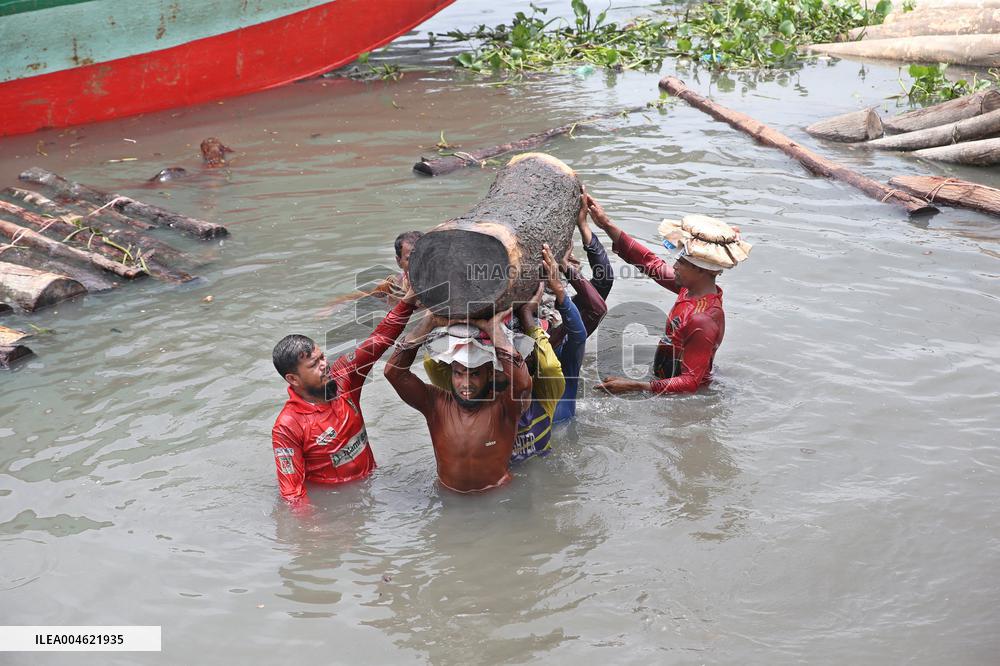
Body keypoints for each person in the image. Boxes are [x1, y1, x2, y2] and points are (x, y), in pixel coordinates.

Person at [586, 195, 751, 395]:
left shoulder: (703, 319)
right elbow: (650, 263)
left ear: (701, 270)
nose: (675, 266)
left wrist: (635, 386)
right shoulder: (691, 289)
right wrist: (606, 224)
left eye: (681, 263)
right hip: (668, 379)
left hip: (687, 397)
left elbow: (690, 382)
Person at [271, 289, 418, 506]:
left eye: (322, 357)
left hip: (373, 487)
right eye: (314, 364)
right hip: (336, 506)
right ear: (293, 379)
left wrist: (408, 301)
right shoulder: (287, 426)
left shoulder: (344, 379)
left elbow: (378, 340)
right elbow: (293, 495)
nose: (324, 365)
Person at [384, 309, 532, 493]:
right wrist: (428, 323)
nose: (466, 384)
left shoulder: (504, 406)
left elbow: (523, 384)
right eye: (458, 373)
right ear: (451, 372)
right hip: (448, 497)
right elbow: (394, 373)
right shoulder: (435, 404)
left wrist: (494, 330)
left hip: (498, 495)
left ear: (490, 374)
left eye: (475, 374)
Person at [548, 192, 611, 423]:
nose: (576, 266)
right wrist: (564, 268)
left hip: (556, 423)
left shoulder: (562, 329)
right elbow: (597, 306)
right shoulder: (555, 328)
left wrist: (583, 224)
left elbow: (602, 285)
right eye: (572, 261)